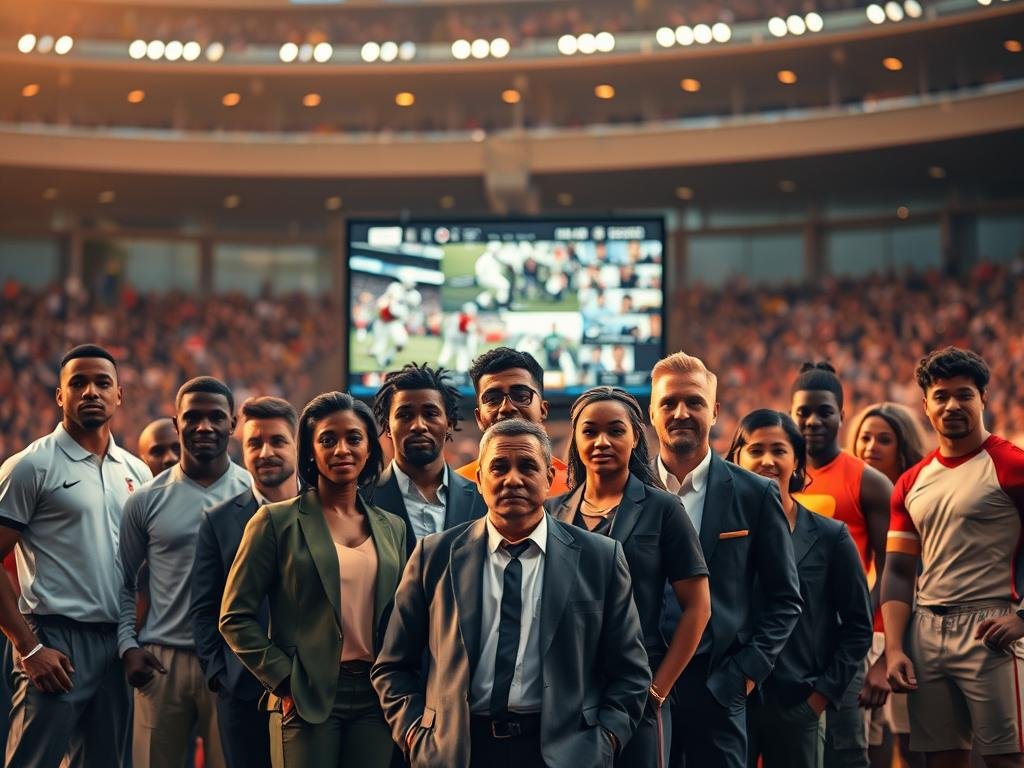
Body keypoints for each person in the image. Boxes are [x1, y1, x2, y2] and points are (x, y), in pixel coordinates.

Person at [372, 418, 650, 768]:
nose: (513, 479)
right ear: (480, 479)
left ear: (549, 478)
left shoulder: (601, 558)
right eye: (499, 467)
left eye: (528, 466)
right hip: (460, 751)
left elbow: (632, 672)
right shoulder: (435, 554)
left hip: (564, 753)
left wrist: (604, 741)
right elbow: (392, 666)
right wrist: (416, 735)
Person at [220, 392, 406, 768]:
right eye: (327, 440)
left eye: (354, 438)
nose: (342, 449)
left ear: (369, 448)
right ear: (311, 452)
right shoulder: (275, 521)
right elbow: (234, 618)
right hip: (307, 695)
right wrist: (286, 682)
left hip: (374, 697)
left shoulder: (393, 528)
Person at [0, 344, 152, 767]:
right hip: (54, 638)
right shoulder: (30, 466)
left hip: (117, 643)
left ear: (119, 394)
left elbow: (146, 570)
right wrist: (29, 649)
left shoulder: (137, 472)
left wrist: (133, 639)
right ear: (59, 395)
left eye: (102, 383)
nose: (91, 391)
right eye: (78, 383)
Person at [650, 351, 801, 768]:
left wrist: (742, 676)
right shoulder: (629, 491)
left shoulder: (755, 493)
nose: (681, 413)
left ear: (714, 411)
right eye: (669, 403)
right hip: (641, 689)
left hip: (717, 686)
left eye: (694, 402)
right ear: (652, 412)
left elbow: (785, 599)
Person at [547, 387, 711, 767]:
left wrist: (657, 690)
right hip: (568, 694)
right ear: (576, 439)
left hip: (637, 689)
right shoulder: (553, 512)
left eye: (615, 430)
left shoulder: (664, 508)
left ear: (636, 436)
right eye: (590, 431)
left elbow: (698, 608)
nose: (602, 441)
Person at [883, 347, 1024, 768]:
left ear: (983, 398)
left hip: (993, 628)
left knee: (1007, 760)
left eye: (963, 394)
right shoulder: (911, 482)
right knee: (942, 761)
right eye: (940, 396)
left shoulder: (1013, 466)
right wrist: (894, 648)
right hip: (926, 633)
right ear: (925, 404)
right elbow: (898, 570)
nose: (952, 405)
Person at [118, 376, 253, 768]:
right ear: (177, 423)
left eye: (216, 417)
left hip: (232, 660)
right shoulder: (146, 500)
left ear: (233, 423)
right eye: (193, 417)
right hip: (163, 663)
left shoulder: (254, 495)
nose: (204, 426)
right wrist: (128, 645)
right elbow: (124, 581)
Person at [726, 410, 873, 768]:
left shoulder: (830, 536)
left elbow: (858, 626)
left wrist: (820, 697)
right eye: (756, 450)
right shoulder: (719, 531)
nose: (767, 460)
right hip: (730, 703)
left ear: (796, 462)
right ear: (736, 459)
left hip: (798, 703)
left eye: (779, 450)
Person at [790, 362, 893, 768]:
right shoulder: (776, 475)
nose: (813, 421)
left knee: (846, 749)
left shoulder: (868, 481)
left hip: (844, 641)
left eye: (824, 412)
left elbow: (891, 568)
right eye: (803, 412)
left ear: (841, 415)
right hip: (788, 639)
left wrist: (857, 621)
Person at [189, 396, 300, 768]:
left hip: (315, 689)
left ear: (297, 444)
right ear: (242, 449)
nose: (266, 452)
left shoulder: (327, 511)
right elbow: (205, 609)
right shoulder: (218, 521)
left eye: (278, 441)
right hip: (243, 694)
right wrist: (222, 677)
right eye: (255, 443)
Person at [847, 402, 929, 768]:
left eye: (884, 439)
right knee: (874, 744)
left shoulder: (919, 497)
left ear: (904, 446)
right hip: (871, 637)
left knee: (915, 747)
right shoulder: (861, 496)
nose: (871, 447)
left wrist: (886, 656)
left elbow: (912, 580)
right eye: (864, 438)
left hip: (911, 640)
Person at [371, 363, 486, 555]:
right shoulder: (363, 499)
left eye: (430, 414)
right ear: (387, 427)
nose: (418, 425)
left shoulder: (483, 497)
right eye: (405, 415)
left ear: (449, 424)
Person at [455, 348, 570, 497]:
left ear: (543, 410)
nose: (506, 407)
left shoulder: (573, 487)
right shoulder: (454, 490)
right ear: (479, 417)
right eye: (492, 399)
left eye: (521, 396)